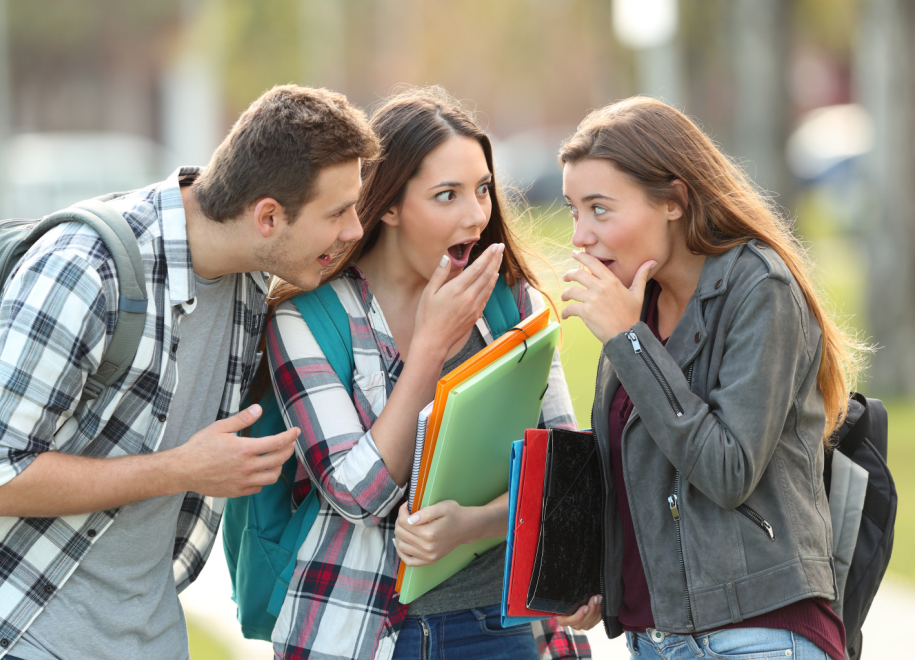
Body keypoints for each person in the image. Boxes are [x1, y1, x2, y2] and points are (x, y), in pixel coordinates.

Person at [0, 85, 379, 660]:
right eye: (338, 212)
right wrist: (183, 469)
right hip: (21, 628)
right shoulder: (85, 270)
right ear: (267, 216)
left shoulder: (250, 279)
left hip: (148, 635)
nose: (355, 229)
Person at [263, 86, 597, 660]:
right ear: (388, 205)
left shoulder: (514, 306)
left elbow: (565, 481)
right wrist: (429, 350)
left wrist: (476, 523)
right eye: (447, 195)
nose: (475, 215)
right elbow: (360, 494)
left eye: (483, 189)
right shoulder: (306, 319)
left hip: (507, 630)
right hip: (362, 631)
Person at [558, 97, 862, 660]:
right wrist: (599, 577)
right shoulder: (637, 306)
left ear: (674, 200)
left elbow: (728, 470)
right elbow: (640, 472)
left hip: (756, 634)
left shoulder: (759, 289)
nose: (579, 235)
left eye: (600, 209)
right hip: (658, 638)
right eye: (574, 210)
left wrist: (629, 343)